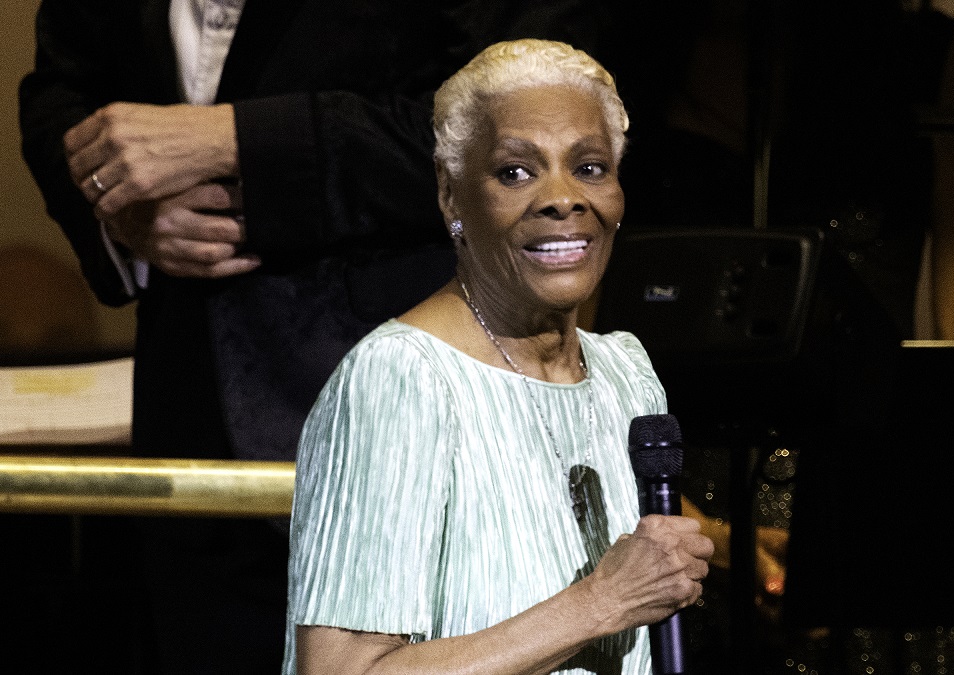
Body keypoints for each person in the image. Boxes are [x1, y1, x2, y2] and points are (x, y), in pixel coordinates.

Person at [18, 2, 611, 672]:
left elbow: (540, 111)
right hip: (189, 411)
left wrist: (236, 139)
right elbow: (61, 89)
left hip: (419, 404)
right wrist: (120, 212)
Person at [596, 1, 954, 672]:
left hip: (866, 501)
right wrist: (703, 530)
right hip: (671, 504)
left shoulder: (922, 55)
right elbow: (573, 342)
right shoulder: (618, 58)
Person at [283, 39, 713, 675]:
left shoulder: (626, 376)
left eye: (590, 167)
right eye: (516, 172)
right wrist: (601, 602)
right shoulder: (402, 380)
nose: (562, 198)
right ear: (452, 197)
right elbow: (345, 670)